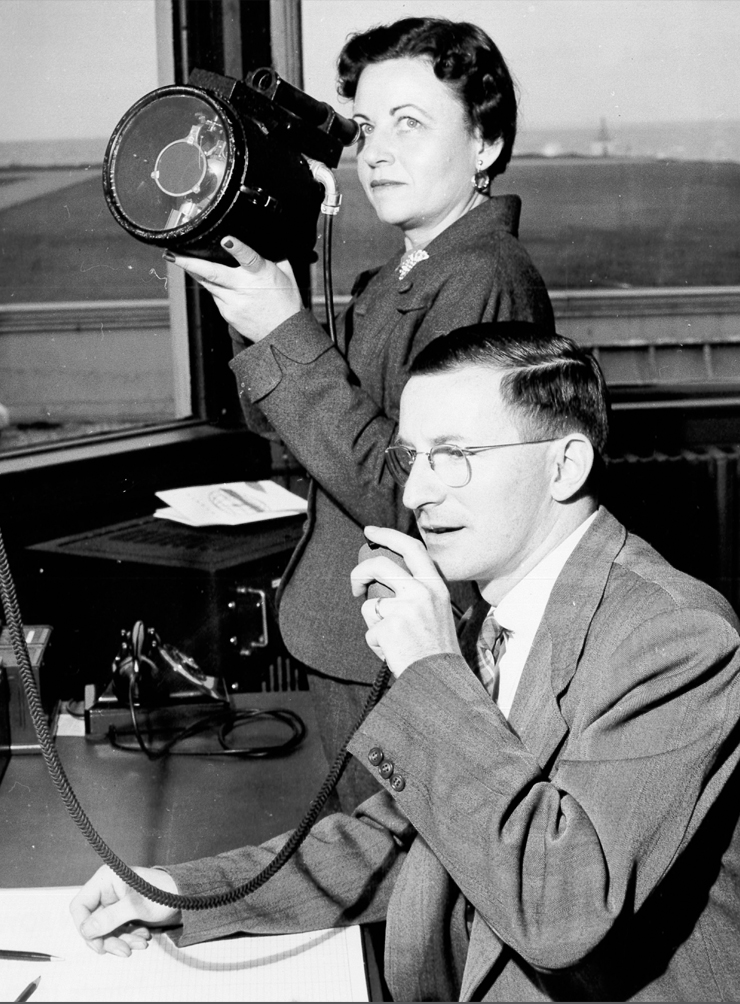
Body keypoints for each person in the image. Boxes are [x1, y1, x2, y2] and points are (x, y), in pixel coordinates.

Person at [71, 322, 740, 1002]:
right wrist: (180, 892)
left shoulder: (675, 637)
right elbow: (402, 840)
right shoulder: (496, 607)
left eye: (452, 454)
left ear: (563, 466)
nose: (417, 493)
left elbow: (560, 909)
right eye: (411, 457)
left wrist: (429, 671)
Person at [163, 17, 554, 809]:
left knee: (387, 898)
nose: (376, 151)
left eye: (411, 125)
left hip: (394, 654)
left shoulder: (484, 279)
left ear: (485, 144)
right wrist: (276, 302)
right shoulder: (395, 277)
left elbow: (417, 494)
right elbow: (282, 430)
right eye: (368, 129)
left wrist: (285, 331)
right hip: (352, 643)